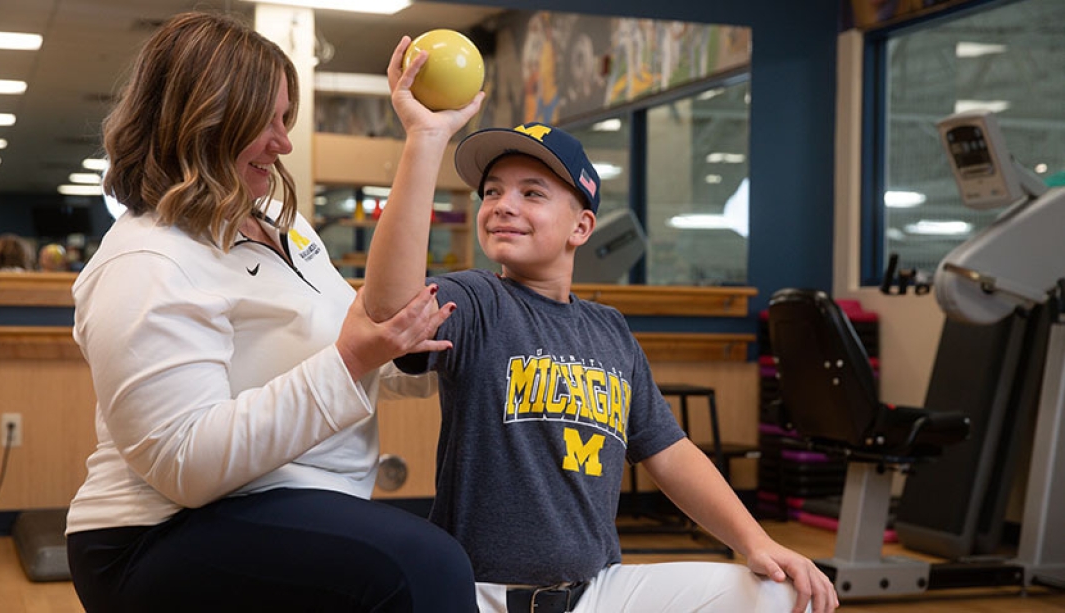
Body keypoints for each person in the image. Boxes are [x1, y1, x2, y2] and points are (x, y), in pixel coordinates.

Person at [358, 37, 841, 613]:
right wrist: (425, 138)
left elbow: (669, 452)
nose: (502, 205)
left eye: (531, 193)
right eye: (492, 192)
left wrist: (755, 541)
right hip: (483, 594)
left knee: (783, 594)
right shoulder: (478, 300)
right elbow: (389, 308)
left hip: (598, 592)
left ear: (581, 227)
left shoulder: (609, 330)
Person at [65, 12, 478, 613]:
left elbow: (347, 345)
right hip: (153, 533)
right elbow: (184, 463)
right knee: (423, 567)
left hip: (292, 502)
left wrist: (408, 356)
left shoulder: (282, 223)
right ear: (204, 119)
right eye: (266, 121)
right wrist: (357, 356)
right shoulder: (145, 261)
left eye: (286, 118)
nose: (284, 142)